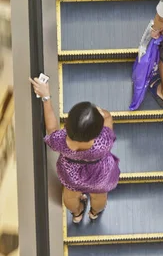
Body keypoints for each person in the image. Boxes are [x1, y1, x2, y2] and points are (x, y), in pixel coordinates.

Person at [30, 76, 120, 224]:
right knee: (99, 196)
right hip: (100, 176)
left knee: (70, 196)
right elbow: (108, 117)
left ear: (67, 123)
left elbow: (51, 127)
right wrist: (100, 112)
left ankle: (77, 213)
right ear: (98, 129)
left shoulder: (59, 141)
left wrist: (46, 97)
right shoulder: (103, 141)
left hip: (72, 176)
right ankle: (94, 213)